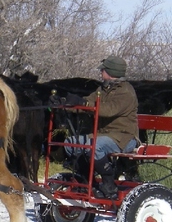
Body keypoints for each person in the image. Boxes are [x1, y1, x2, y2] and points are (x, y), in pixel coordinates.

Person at [58, 54, 139, 198]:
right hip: (103, 134)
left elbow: (108, 110)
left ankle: (109, 184)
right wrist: (65, 103)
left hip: (123, 137)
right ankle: (86, 181)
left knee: (95, 146)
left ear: (112, 72)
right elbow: (88, 102)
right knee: (70, 143)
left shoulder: (126, 92)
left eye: (103, 70)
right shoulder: (104, 88)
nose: (101, 72)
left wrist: (85, 104)